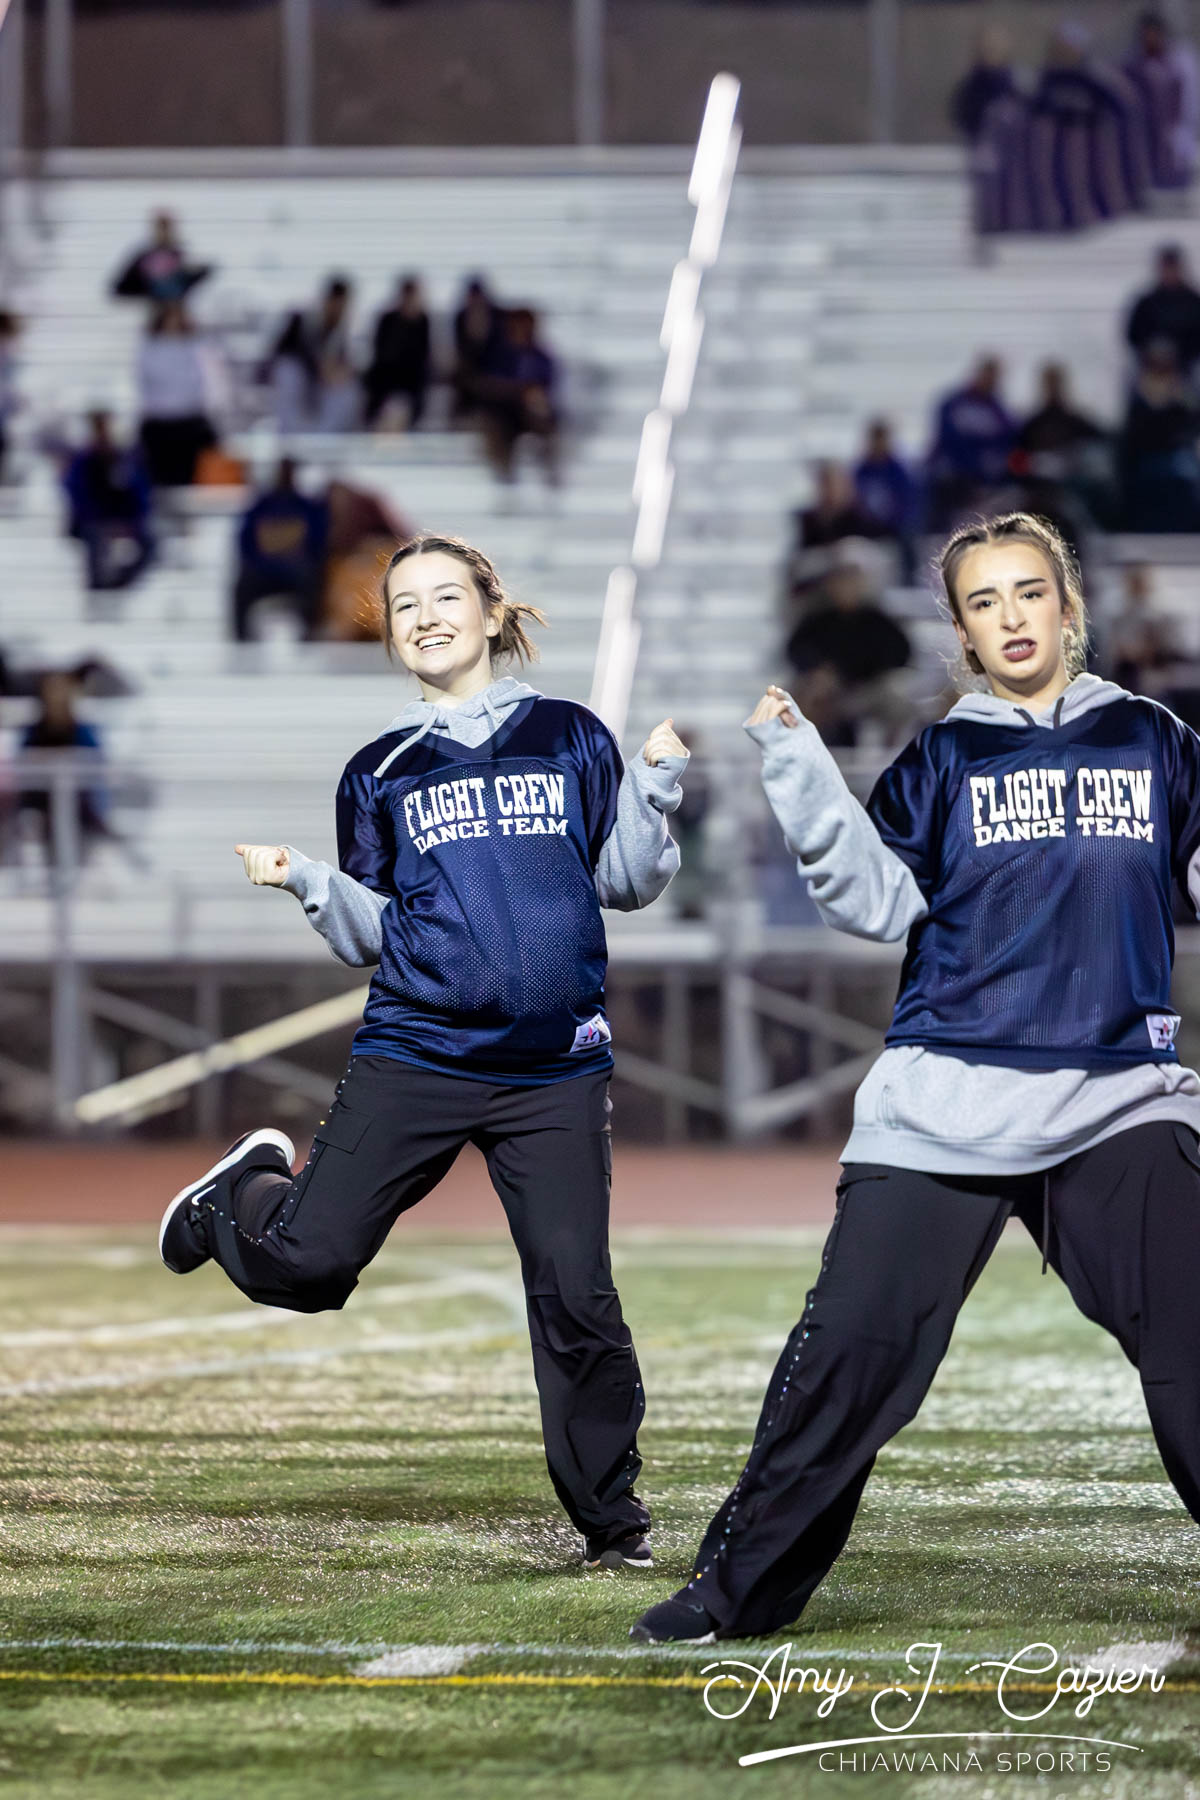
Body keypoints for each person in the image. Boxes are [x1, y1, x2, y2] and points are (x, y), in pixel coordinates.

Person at [633, 509, 1200, 1645]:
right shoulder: (943, 757)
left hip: (1118, 1097)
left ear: (1068, 608)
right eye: (984, 602)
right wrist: (800, 768)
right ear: (962, 633)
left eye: (1029, 592)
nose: (1012, 617)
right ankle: (735, 1592)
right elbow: (875, 903)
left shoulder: (1157, 740)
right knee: (848, 1359)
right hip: (946, 1097)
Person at [158, 532, 689, 1571]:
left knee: (577, 1296)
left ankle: (613, 1523)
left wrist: (657, 785)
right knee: (309, 1266)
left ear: (492, 612)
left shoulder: (571, 734)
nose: (428, 617)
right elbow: (370, 933)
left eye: (448, 597)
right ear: (392, 634)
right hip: (421, 1051)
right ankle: (237, 1200)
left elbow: (625, 882)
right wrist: (306, 878)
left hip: (555, 1070)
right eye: (406, 605)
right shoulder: (378, 770)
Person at [785, 539, 913, 747]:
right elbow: (796, 651)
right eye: (841, 580)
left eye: (852, 580)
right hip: (831, 691)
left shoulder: (878, 619)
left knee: (897, 695)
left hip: (870, 688)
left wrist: (871, 672)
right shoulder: (817, 618)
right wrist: (818, 672)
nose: (846, 587)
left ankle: (893, 754)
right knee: (798, 697)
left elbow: (901, 654)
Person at [232, 458, 328, 641]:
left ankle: (312, 632)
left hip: (296, 570)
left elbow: (317, 543)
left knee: (313, 580)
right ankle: (241, 638)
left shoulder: (306, 507)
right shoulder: (261, 506)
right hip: (263, 569)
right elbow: (246, 542)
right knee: (242, 586)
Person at [136, 302, 226, 488]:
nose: (173, 324)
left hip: (190, 418)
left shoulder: (196, 345)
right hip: (161, 420)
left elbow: (205, 379)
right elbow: (146, 380)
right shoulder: (150, 347)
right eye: (170, 318)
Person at [62, 411, 155, 592]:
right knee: (95, 537)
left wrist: (131, 521)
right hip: (95, 521)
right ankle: (98, 586)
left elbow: (140, 492)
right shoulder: (82, 462)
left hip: (125, 520)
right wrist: (101, 520)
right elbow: (79, 497)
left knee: (150, 542)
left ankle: (122, 582)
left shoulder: (125, 459)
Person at [1118, 341, 1200, 532]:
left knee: (1185, 472)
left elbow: (1191, 423)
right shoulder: (1139, 393)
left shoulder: (1182, 391)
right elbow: (1134, 432)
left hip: (1176, 453)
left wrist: (1175, 400)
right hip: (1147, 456)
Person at [927, 355, 1017, 529]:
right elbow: (948, 441)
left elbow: (1008, 441)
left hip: (987, 479)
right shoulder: (955, 404)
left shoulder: (998, 409)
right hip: (955, 477)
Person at [474, 308, 561, 484]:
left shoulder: (539, 356)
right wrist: (518, 391)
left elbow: (547, 383)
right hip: (504, 411)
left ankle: (550, 470)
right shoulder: (499, 355)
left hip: (530, 410)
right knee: (494, 425)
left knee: (545, 416)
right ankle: (504, 472)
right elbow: (491, 384)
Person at [269, 277, 360, 434]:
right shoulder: (303, 318)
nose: (340, 309)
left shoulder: (340, 328)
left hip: (319, 384)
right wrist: (322, 367)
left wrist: (340, 372)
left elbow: (342, 360)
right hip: (295, 376)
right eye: (337, 304)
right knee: (289, 375)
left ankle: (325, 439)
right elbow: (295, 352)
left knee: (349, 390)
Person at [1124, 10, 1199, 191]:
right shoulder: (1134, 64)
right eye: (1146, 34)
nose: (1150, 38)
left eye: (1153, 33)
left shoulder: (1180, 62)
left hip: (1175, 135)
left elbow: (1189, 102)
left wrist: (1183, 133)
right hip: (1145, 134)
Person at [853, 421, 919, 579]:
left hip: (894, 525)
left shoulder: (899, 470)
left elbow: (907, 503)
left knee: (908, 537)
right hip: (867, 525)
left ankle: (909, 578)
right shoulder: (862, 470)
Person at [364, 276, 432, 430]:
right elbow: (381, 354)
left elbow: (423, 357)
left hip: (412, 383)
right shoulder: (387, 320)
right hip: (386, 380)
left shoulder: (423, 321)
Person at [1126, 246, 1200, 380]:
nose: (1169, 273)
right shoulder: (1146, 302)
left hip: (1186, 366)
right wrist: (1153, 352)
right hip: (1151, 365)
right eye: (1166, 268)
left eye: (1173, 268)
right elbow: (1133, 335)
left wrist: (1180, 353)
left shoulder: (1193, 301)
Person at [111, 210, 213, 305]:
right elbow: (122, 287)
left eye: (167, 229)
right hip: (157, 306)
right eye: (162, 229)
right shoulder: (145, 257)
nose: (165, 233)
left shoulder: (178, 255)